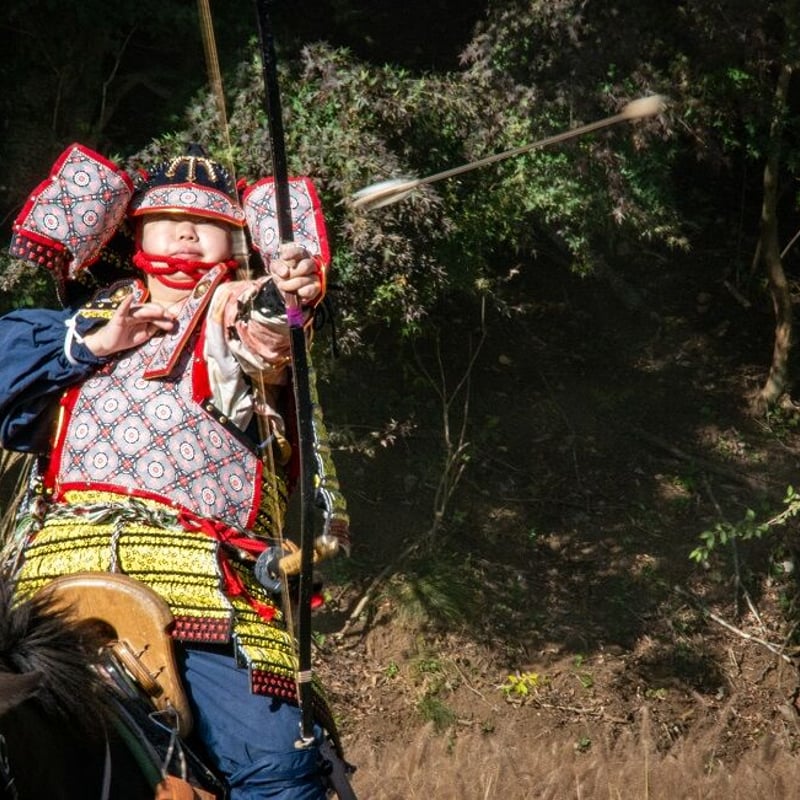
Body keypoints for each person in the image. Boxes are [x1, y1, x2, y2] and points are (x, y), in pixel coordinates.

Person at [0, 145, 346, 799]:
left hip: (195, 590)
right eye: (167, 219)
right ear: (135, 234)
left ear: (234, 243)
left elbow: (268, 334)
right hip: (42, 586)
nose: (186, 232)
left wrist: (288, 292)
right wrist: (91, 345)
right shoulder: (76, 329)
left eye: (206, 223)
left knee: (279, 764)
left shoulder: (227, 311)